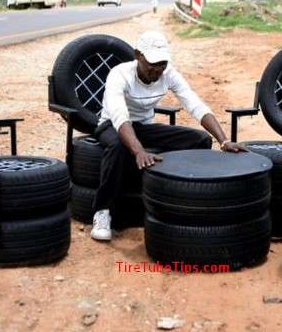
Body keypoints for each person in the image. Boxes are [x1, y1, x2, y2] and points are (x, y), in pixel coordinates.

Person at [90, 31, 248, 241]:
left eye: (162, 63)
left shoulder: (168, 74)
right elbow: (119, 116)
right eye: (152, 63)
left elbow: (194, 104)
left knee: (200, 139)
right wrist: (138, 150)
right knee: (119, 147)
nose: (157, 70)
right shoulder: (119, 74)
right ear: (138, 55)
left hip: (143, 127)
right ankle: (102, 211)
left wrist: (224, 140)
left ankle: (185, 196)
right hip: (112, 125)